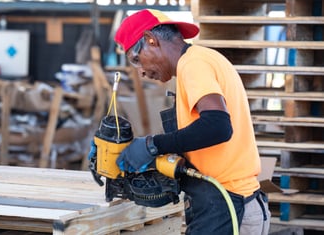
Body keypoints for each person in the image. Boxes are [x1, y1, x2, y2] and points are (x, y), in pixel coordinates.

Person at [112, 9, 270, 235]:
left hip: (229, 204)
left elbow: (218, 126)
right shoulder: (200, 59)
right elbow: (205, 138)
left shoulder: (193, 64)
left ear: (151, 39)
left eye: (137, 60)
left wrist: (153, 145)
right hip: (226, 201)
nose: (141, 72)